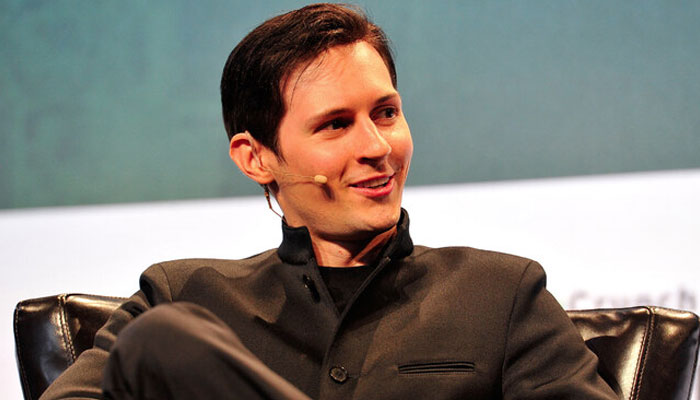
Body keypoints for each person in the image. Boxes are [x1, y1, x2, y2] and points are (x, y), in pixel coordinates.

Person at [41, 4, 617, 399]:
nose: (377, 147)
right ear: (255, 157)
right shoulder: (184, 298)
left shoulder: (501, 295)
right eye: (335, 125)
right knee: (160, 342)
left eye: (386, 113)